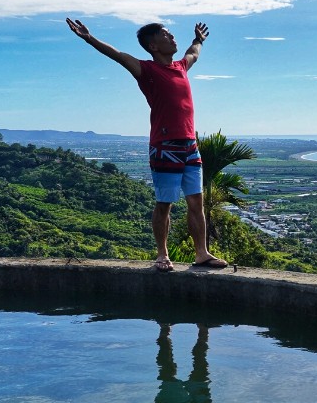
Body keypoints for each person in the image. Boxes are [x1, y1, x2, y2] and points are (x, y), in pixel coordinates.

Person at [66, 17, 227, 271]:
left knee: (196, 202)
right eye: (166, 35)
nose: (173, 37)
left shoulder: (181, 67)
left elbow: (193, 53)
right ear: (153, 46)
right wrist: (89, 38)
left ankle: (201, 253)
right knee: (165, 203)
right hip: (165, 146)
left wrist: (198, 39)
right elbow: (118, 55)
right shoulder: (146, 70)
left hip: (189, 145)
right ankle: (162, 254)